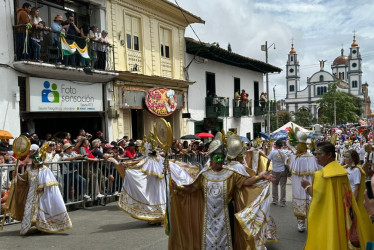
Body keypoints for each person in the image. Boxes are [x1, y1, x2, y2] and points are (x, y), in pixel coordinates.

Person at [170, 132, 275, 249]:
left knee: (227, 240)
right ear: (210, 157)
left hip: (226, 213)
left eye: (222, 157)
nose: (220, 160)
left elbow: (245, 182)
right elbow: (191, 188)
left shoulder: (230, 173)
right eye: (217, 157)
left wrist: (261, 176)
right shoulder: (204, 174)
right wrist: (177, 187)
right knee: (208, 240)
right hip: (208, 215)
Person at [301, 141, 370, 249]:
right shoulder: (342, 172)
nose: (316, 156)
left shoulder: (321, 175)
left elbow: (317, 198)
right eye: (315, 153)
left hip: (328, 215)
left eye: (320, 153)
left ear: (329, 155)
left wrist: (307, 186)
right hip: (342, 214)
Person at [19, 150, 72, 235]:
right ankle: (34, 226)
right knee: (30, 210)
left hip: (42, 194)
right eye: (34, 160)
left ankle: (43, 227)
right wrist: (17, 176)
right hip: (31, 193)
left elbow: (51, 181)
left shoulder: (44, 169)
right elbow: (24, 179)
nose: (36, 161)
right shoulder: (29, 169)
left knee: (41, 210)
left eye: (38, 159)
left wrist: (42, 186)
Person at [287, 130, 320, 232]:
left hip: (298, 185)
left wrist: (289, 143)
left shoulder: (295, 158)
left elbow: (289, 164)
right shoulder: (312, 157)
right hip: (310, 184)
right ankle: (311, 223)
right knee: (310, 200)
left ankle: (301, 225)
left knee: (300, 200)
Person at [266, 139, 288, 207]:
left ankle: (275, 200)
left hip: (275, 171)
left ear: (276, 145)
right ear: (282, 145)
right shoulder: (285, 152)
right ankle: (283, 201)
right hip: (283, 170)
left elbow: (268, 161)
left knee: (275, 185)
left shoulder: (273, 152)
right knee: (283, 186)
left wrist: (267, 169)